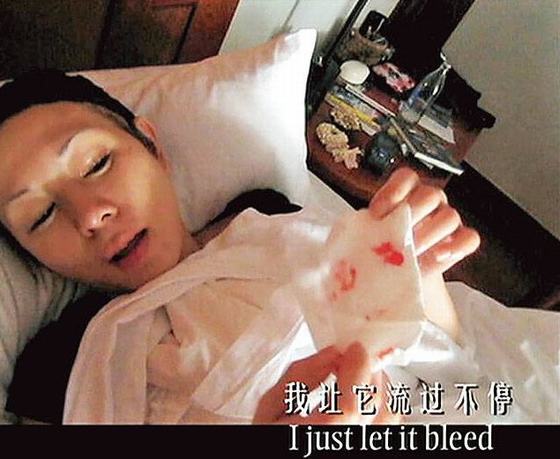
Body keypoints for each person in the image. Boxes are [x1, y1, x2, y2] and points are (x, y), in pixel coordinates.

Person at [0, 70, 485, 424]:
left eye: (97, 164)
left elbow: (446, 368)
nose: (89, 215)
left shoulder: (263, 214)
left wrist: (415, 266)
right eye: (40, 216)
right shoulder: (63, 364)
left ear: (152, 146)